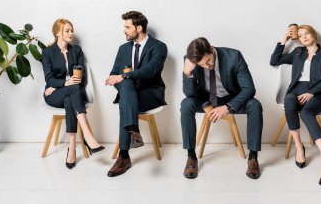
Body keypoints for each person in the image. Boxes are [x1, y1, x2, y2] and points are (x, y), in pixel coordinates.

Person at [180, 37, 263, 179]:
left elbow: (249, 89)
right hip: (206, 99)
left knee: (255, 105)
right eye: (202, 65)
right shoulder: (190, 61)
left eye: (208, 61)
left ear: (211, 48)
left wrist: (227, 107)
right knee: (186, 104)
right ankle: (191, 156)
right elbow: (190, 94)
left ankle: (253, 157)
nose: (207, 66)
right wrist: (187, 74)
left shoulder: (234, 56)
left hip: (230, 98)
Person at [270, 24, 321, 185]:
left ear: (314, 35)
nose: (304, 37)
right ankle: (299, 147)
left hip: (319, 93)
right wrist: (284, 39)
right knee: (289, 101)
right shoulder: (298, 53)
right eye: (301, 35)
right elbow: (274, 61)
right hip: (296, 90)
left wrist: (311, 93)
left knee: (307, 112)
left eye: (307, 33)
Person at [105, 11, 167, 177]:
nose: (124, 30)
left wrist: (125, 76)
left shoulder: (159, 47)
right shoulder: (123, 49)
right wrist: (119, 80)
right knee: (126, 91)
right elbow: (114, 74)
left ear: (139, 28)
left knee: (125, 94)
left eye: (127, 27)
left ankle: (123, 156)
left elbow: (150, 71)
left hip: (151, 94)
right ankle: (133, 133)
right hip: (128, 95)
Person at [42, 18, 104, 169]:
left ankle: (72, 147)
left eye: (72, 30)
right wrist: (62, 84)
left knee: (72, 95)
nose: (71, 33)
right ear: (57, 33)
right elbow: (49, 79)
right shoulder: (47, 52)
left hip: (72, 92)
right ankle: (88, 136)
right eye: (67, 31)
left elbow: (80, 77)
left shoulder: (77, 51)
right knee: (72, 90)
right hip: (54, 95)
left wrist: (64, 84)